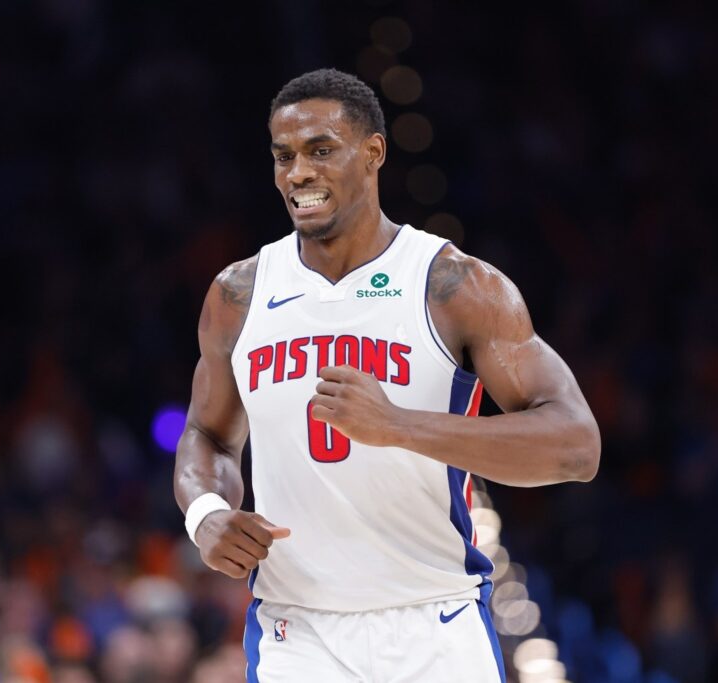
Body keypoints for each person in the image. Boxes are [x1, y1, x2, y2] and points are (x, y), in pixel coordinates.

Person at [174, 68, 600, 682]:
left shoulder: (454, 286)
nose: (299, 173)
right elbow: (205, 436)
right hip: (299, 628)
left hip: (435, 621)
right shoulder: (238, 295)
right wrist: (206, 512)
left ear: (373, 153)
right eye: (284, 156)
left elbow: (575, 447)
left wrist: (399, 425)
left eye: (321, 150)